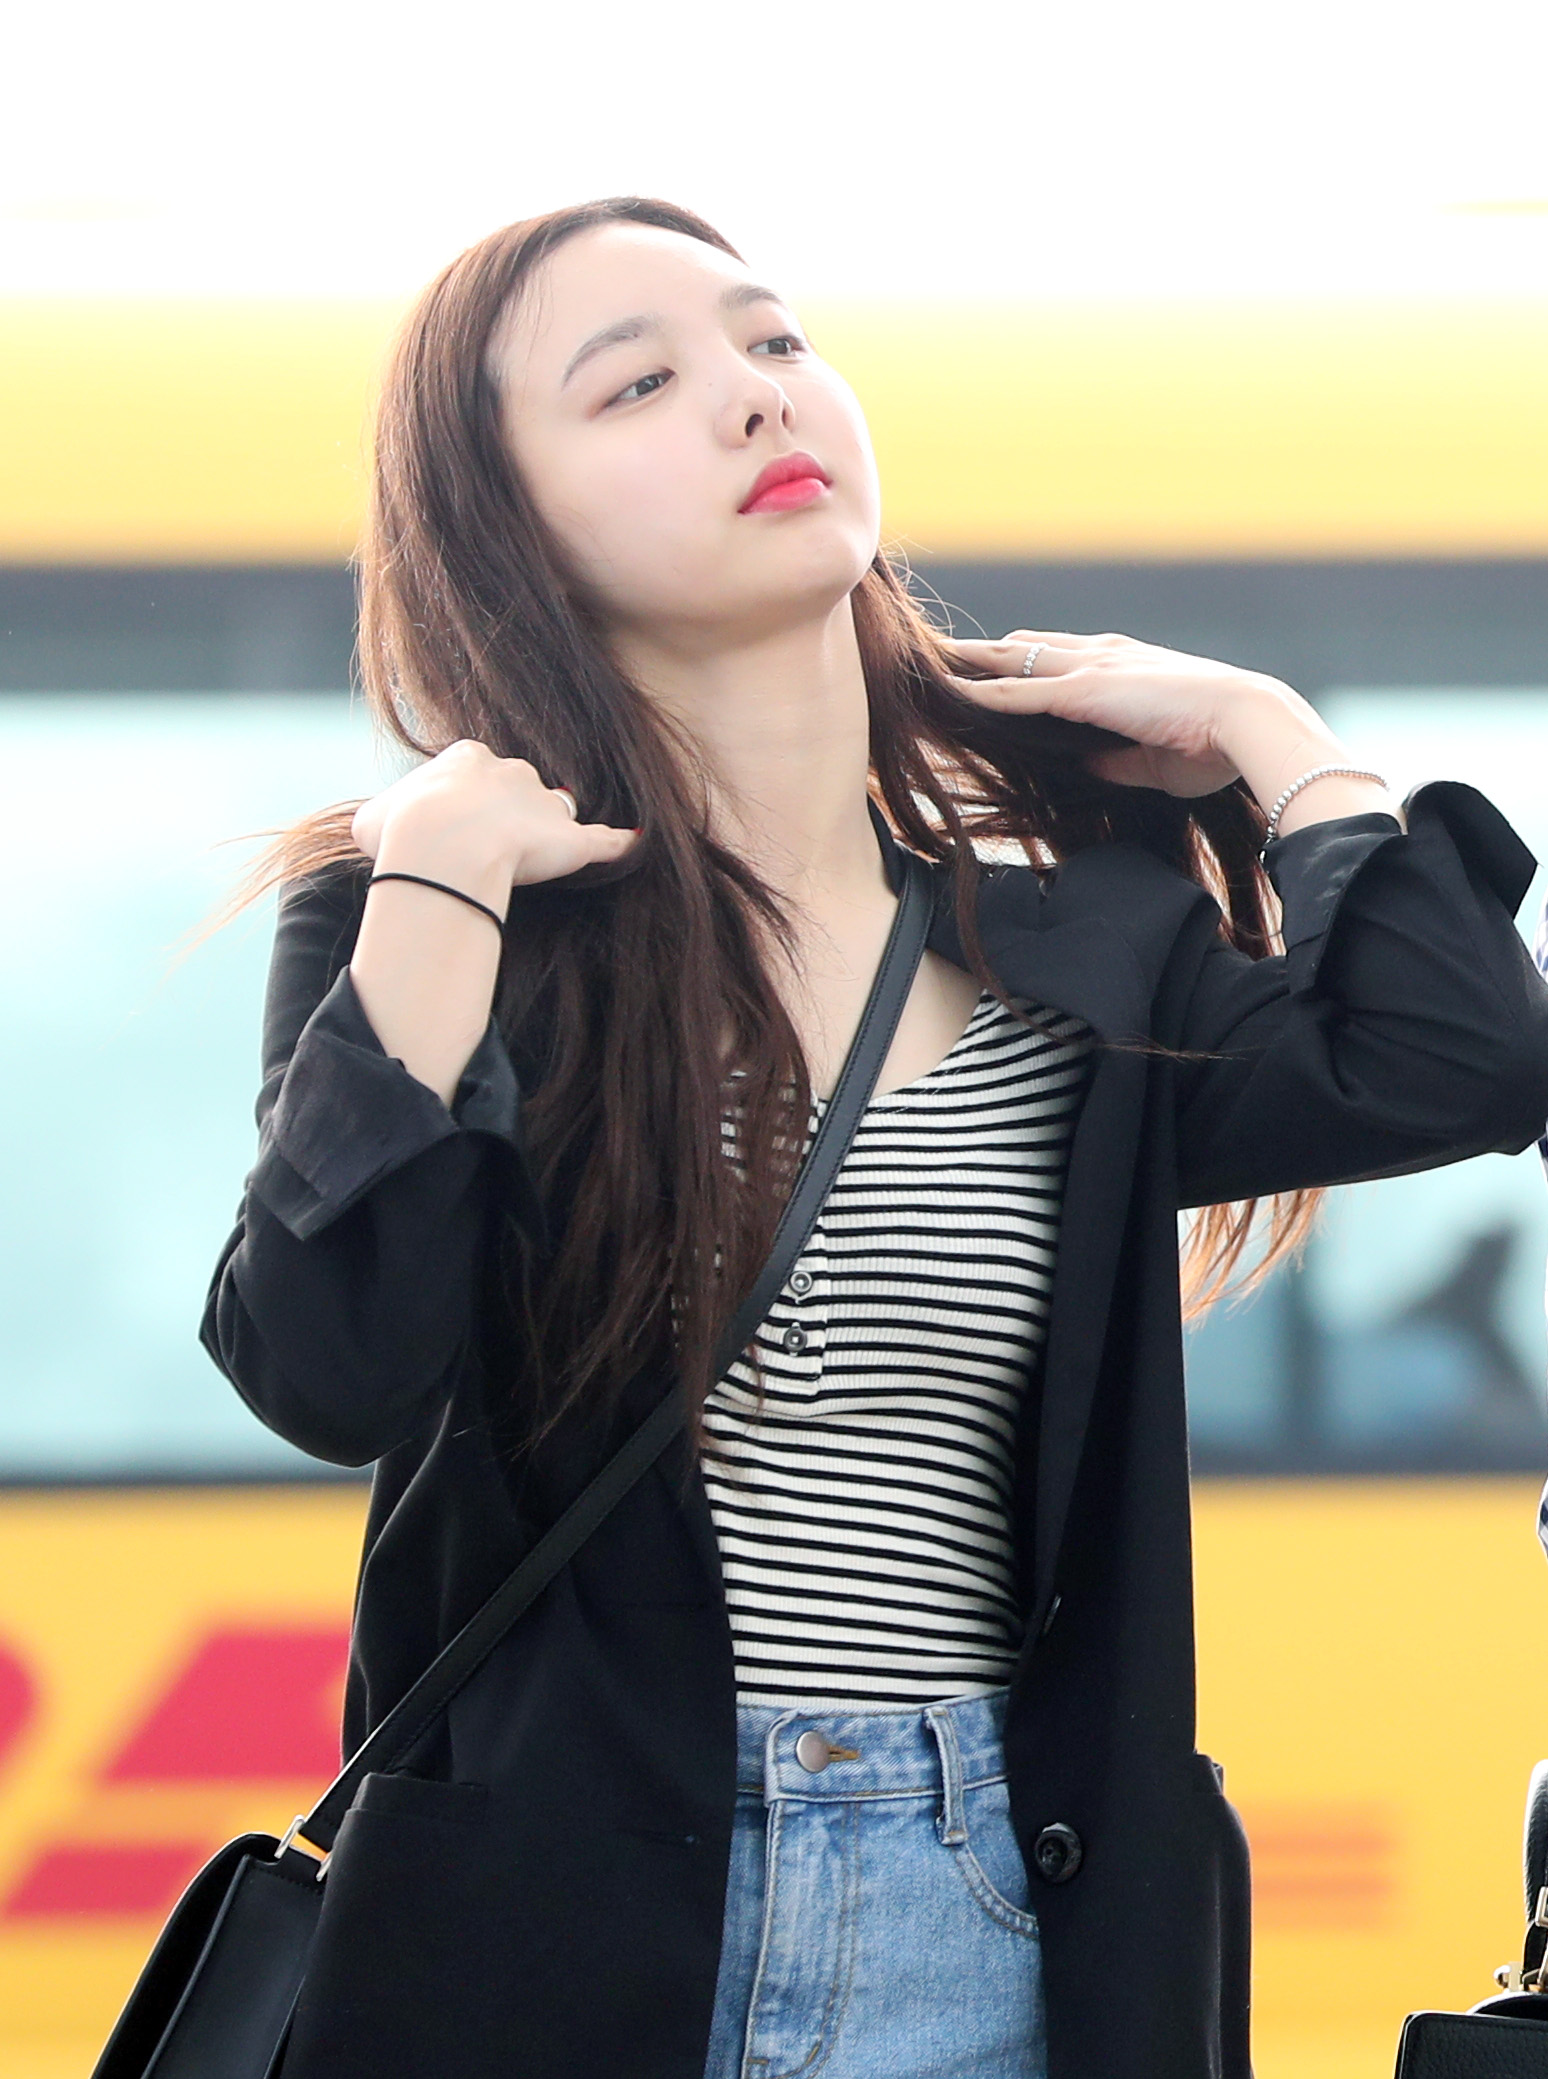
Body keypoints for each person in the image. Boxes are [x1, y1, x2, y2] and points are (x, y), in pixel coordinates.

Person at [202, 197, 1548, 2079]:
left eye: (773, 342)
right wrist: (433, 885)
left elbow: (1459, 1064)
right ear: (504, 525)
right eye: (638, 384)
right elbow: (327, 1370)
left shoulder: (1074, 937)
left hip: (996, 1907)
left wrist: (1273, 736)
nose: (756, 398)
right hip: (553, 1929)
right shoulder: (441, 920)